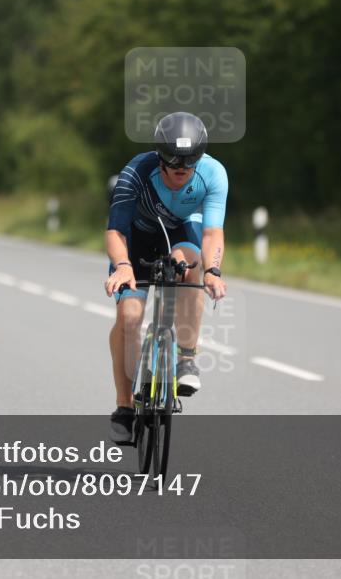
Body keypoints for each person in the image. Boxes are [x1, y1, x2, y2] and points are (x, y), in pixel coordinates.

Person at [103, 112, 228, 443]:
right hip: (138, 238)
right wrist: (123, 265)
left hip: (183, 234)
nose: (181, 168)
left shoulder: (213, 173)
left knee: (193, 267)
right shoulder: (137, 171)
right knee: (129, 318)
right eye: (174, 162)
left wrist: (213, 271)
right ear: (160, 156)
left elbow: (212, 233)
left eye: (189, 162)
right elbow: (116, 230)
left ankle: (186, 358)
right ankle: (124, 406)